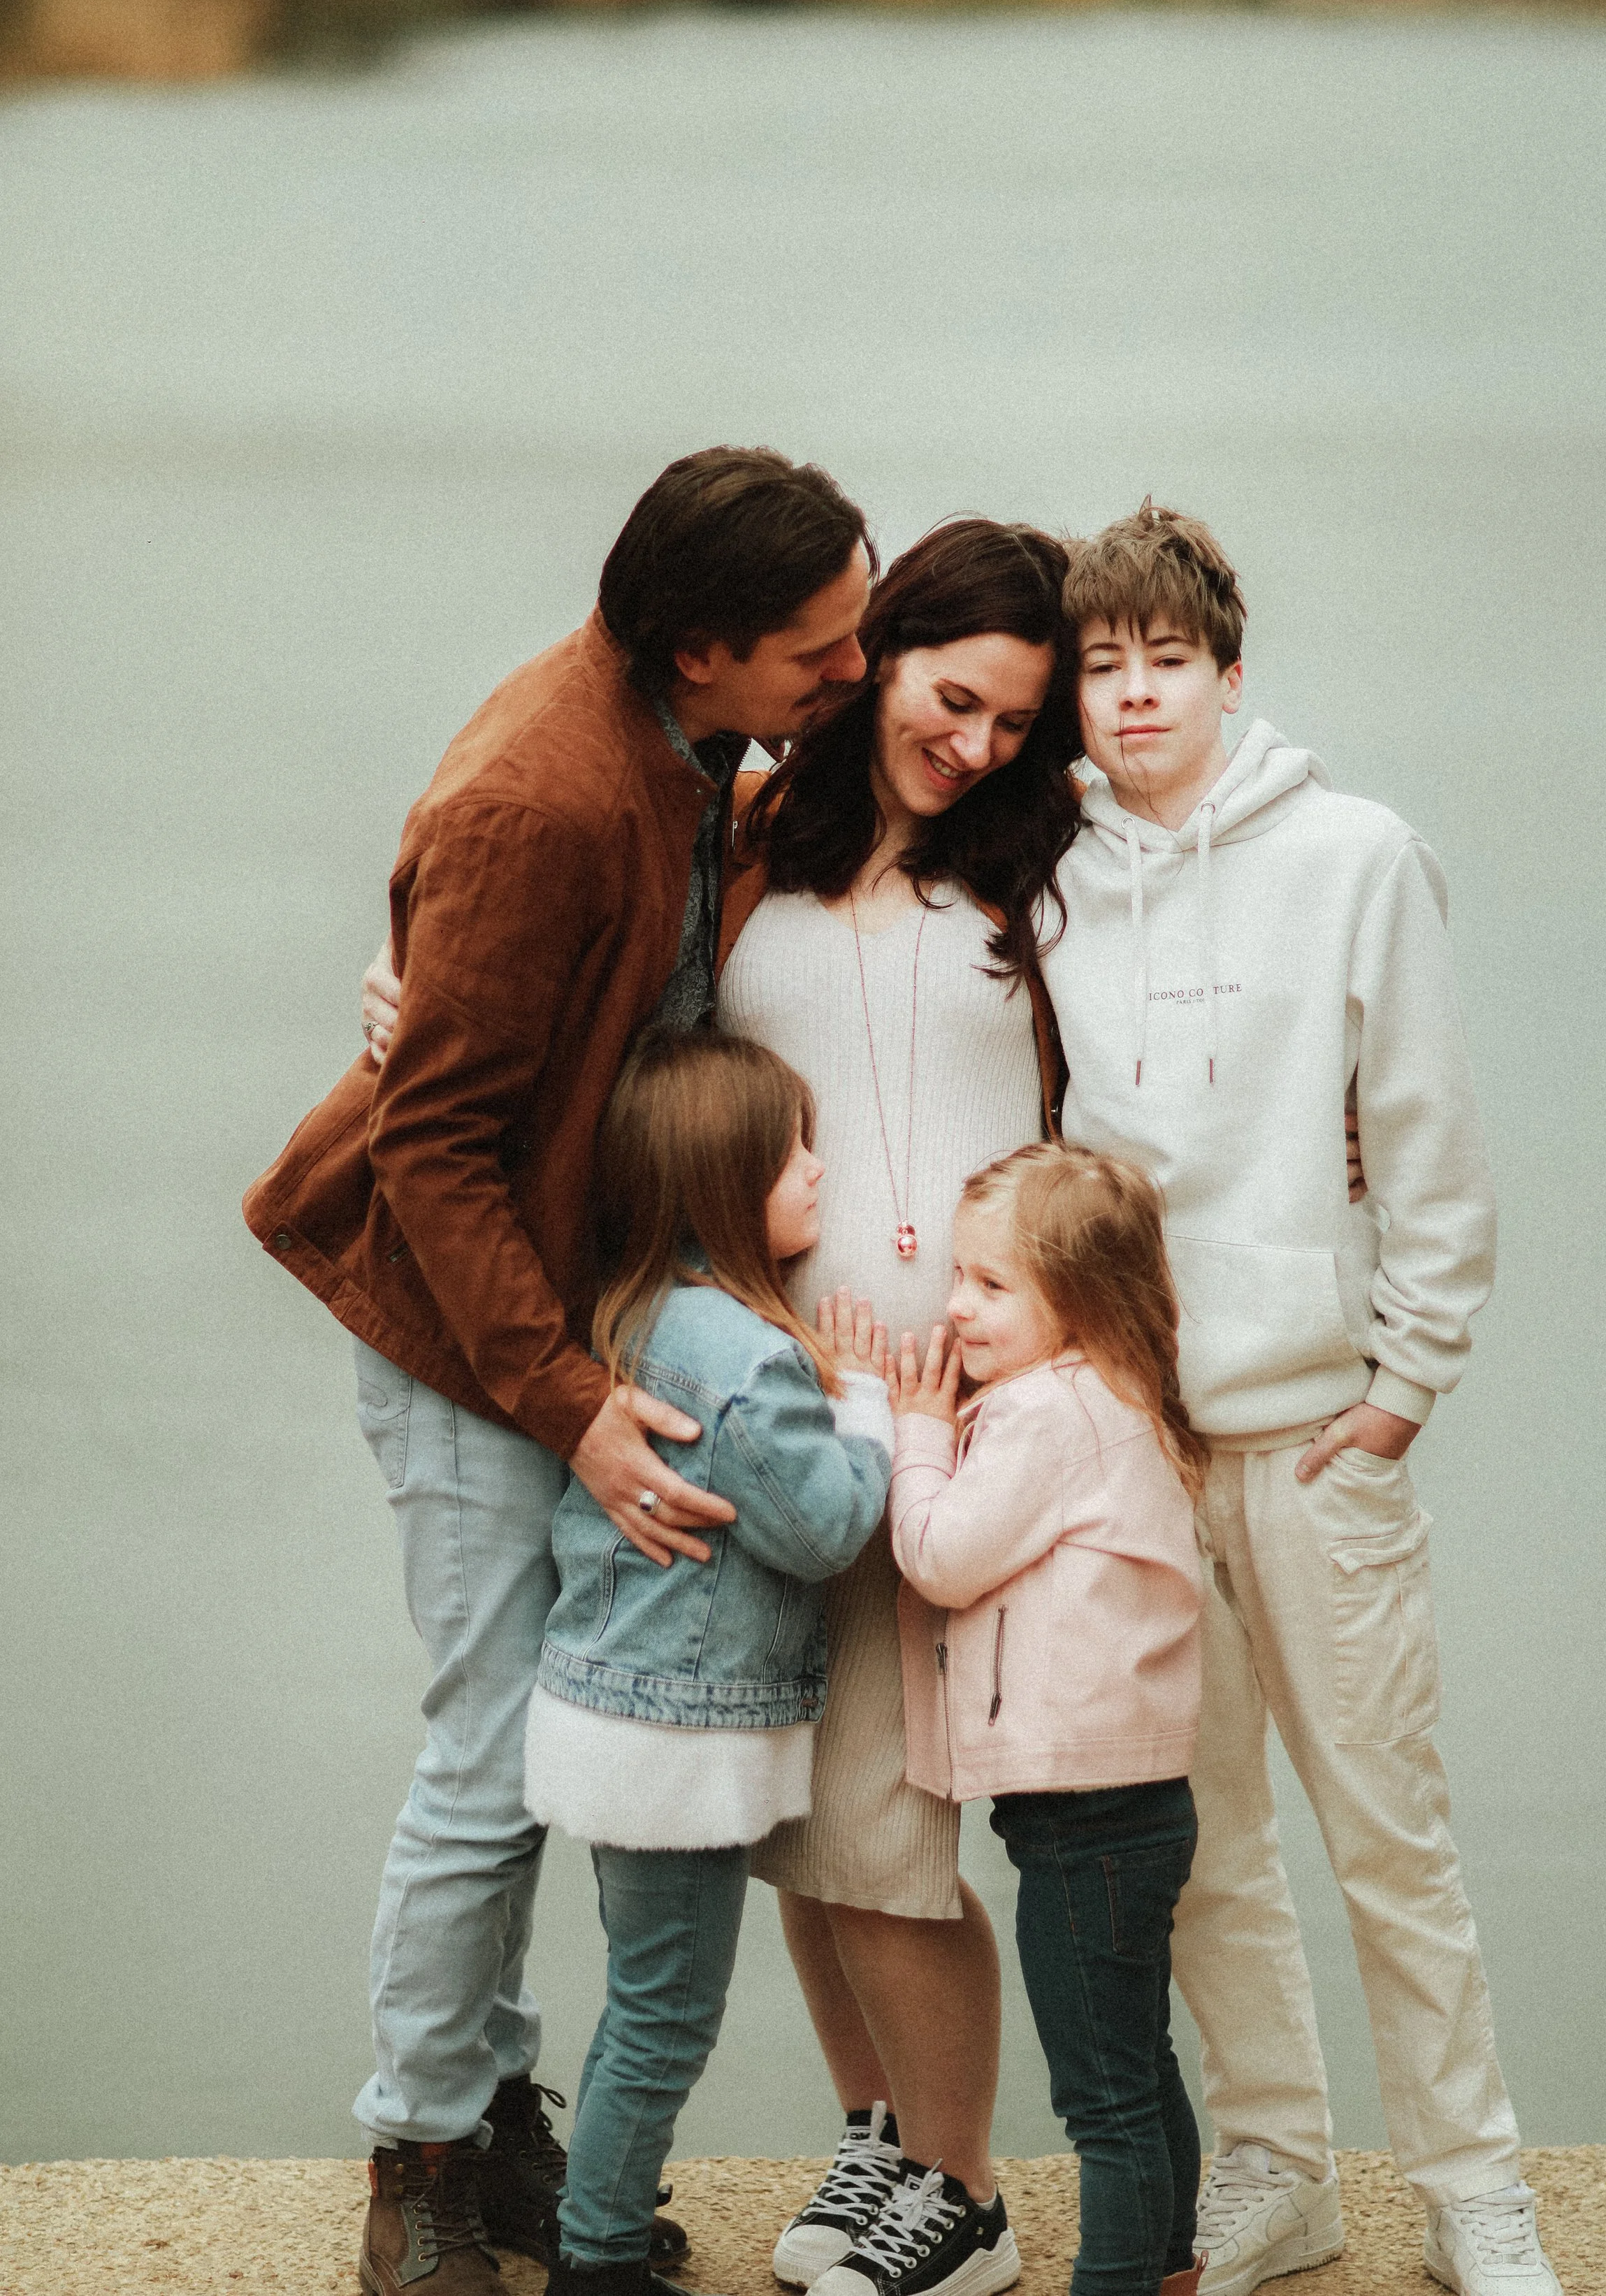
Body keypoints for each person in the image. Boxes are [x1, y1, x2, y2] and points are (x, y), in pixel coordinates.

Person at [244, 445, 874, 2295]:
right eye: (815, 656)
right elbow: (432, 1150)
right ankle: (423, 2149)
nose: (839, 681)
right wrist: (575, 1408)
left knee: (531, 1732)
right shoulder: (542, 789)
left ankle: (500, 2113)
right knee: (486, 1754)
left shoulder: (689, 738)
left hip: (570, 1300)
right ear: (700, 648)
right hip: (466, 1327)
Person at [1041, 503, 1563, 2296]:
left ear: (1228, 672)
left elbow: (1427, 1137)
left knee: (1387, 1841)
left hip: (1317, 1437)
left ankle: (1469, 2186)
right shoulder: (1045, 881)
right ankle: (1278, 2161)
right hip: (1135, 1449)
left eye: (1162, 661)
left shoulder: (1353, 855)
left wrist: (1403, 1387)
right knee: (1201, 1854)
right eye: (1098, 668)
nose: (1129, 697)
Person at [715, 521, 1080, 2296]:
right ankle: (877, 2139)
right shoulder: (742, 852)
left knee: (884, 1810)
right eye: (955, 698)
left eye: (1018, 720)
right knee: (790, 1804)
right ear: (880, 654)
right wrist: (404, 996)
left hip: (951, 1410)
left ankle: (968, 2191)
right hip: (770, 1391)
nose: (980, 748)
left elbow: (1158, 1074)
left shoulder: (1043, 873)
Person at [522, 1029, 895, 2296]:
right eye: (795, 1149)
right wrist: (876, 1412)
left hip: (614, 1712)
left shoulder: (635, 1317)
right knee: (665, 2014)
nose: (820, 1170)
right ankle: (600, 2260)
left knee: (645, 1997)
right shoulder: (748, 1358)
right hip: (677, 1738)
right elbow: (827, 1526)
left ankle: (597, 2228)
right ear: (724, 1178)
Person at [877, 1143, 1208, 2296]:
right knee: (1137, 2059)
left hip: (1084, 1818)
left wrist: (918, 1428)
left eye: (992, 1284)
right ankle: (1169, 2267)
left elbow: (942, 1556)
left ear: (1081, 1294)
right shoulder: (1110, 1390)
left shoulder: (1044, 1416)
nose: (957, 1305)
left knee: (1102, 2095)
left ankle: (1119, 2278)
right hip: (1136, 1802)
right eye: (957, 1276)